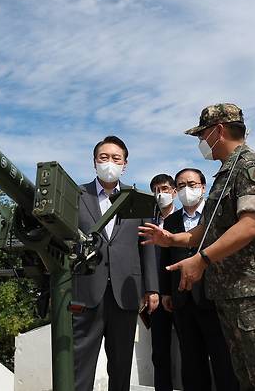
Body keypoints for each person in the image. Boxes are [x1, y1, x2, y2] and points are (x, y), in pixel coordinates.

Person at [139, 103, 255, 390]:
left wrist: (202, 260)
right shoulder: (227, 172)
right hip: (231, 294)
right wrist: (171, 239)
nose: (201, 142)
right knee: (245, 376)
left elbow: (249, 226)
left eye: (202, 135)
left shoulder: (251, 167)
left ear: (218, 131)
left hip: (254, 293)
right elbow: (206, 230)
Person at [74, 135, 159, 391]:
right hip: (85, 291)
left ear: (125, 164)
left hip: (126, 292)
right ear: (94, 162)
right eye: (104, 157)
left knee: (121, 366)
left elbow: (147, 245)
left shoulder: (139, 199)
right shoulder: (77, 195)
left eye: (115, 158)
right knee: (79, 364)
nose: (109, 162)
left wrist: (152, 287)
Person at [161, 168, 238, 391]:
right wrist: (166, 291)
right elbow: (166, 257)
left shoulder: (216, 214)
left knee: (224, 360)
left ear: (203, 187)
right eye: (182, 185)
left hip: (214, 298)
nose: (187, 189)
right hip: (183, 299)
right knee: (192, 362)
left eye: (192, 184)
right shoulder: (172, 220)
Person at [148, 173, 177, 391]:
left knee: (193, 350)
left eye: (165, 189)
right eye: (157, 190)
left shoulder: (186, 219)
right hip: (157, 295)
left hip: (184, 291)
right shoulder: (148, 223)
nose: (161, 194)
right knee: (159, 352)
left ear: (174, 191)